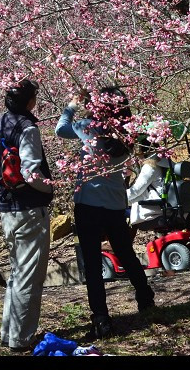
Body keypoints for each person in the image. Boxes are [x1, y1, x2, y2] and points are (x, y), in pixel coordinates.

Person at [55, 87, 155, 340]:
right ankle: (145, 298)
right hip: (115, 203)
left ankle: (101, 317)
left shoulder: (88, 127)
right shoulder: (127, 132)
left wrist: (72, 105)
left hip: (89, 202)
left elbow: (60, 129)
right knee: (125, 253)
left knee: (91, 261)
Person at [0, 78, 54, 353]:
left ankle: (8, 334)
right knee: (29, 276)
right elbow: (30, 173)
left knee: (18, 274)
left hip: (7, 211)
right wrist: (50, 187)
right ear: (30, 101)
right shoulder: (27, 128)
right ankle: (20, 339)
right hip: (29, 210)